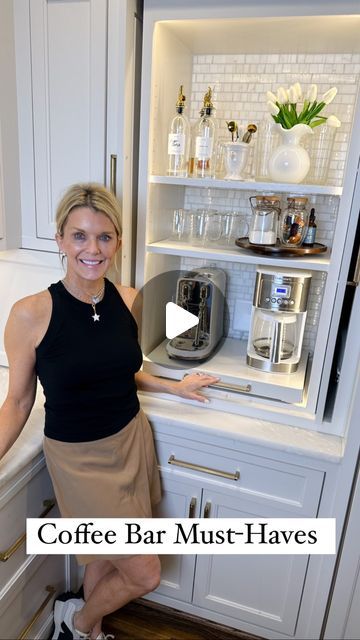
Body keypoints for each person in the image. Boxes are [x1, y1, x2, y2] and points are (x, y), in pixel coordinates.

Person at [0, 183, 219, 640]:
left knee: (103, 555)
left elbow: (119, 370)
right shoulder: (30, 313)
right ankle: (76, 621)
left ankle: (89, 629)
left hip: (131, 439)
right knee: (144, 572)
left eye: (104, 236)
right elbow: (19, 401)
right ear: (60, 239)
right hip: (80, 459)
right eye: (79, 236)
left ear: (118, 241)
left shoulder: (128, 298)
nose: (92, 249)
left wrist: (174, 386)